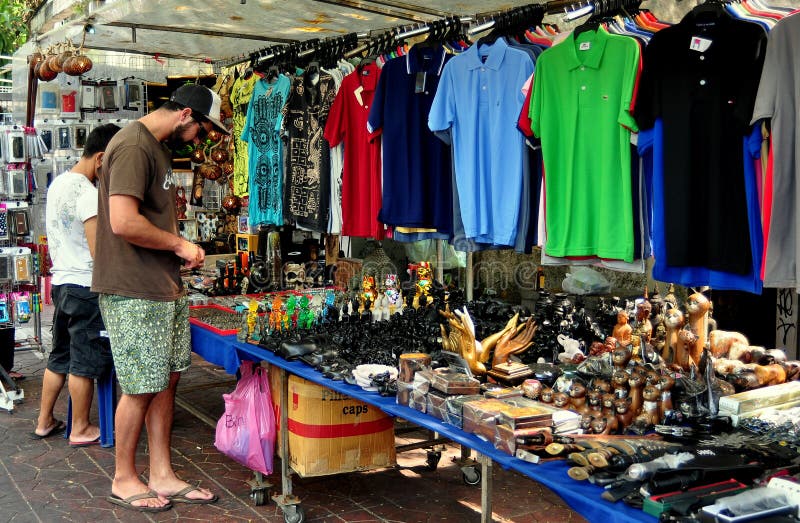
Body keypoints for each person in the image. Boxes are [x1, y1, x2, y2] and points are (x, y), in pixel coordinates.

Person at [92, 84, 226, 512]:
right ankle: (124, 477)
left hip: (160, 284)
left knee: (166, 380)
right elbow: (123, 222)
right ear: (186, 114)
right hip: (134, 288)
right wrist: (178, 245)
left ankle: (162, 473)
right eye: (203, 127)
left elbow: (147, 220)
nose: (203, 137)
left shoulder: (157, 147)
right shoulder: (134, 145)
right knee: (140, 385)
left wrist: (173, 251)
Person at [32, 123, 121, 443]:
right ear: (101, 159)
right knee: (84, 360)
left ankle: (44, 420)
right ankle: (80, 427)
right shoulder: (88, 194)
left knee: (60, 356)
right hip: (85, 286)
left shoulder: (58, 184)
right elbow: (99, 252)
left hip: (61, 283)